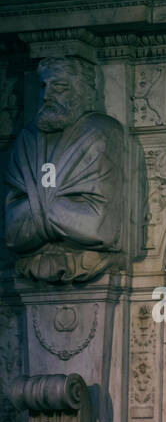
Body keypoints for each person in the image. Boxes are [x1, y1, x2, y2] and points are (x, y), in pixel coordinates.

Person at [3, 56, 126, 282]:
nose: (47, 95)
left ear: (83, 92)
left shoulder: (101, 132)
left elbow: (97, 228)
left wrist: (35, 210)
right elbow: (12, 233)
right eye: (43, 86)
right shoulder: (26, 138)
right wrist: (64, 211)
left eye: (59, 87)